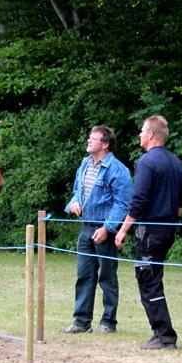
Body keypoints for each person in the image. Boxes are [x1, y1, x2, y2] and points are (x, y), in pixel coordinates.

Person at [115, 115, 182, 350]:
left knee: (148, 280)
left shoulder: (147, 162)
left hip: (150, 231)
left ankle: (164, 335)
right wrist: (168, 212)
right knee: (152, 277)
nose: (139, 135)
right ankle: (162, 333)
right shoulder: (177, 163)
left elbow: (138, 201)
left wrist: (123, 230)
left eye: (142, 131)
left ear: (151, 135)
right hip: (168, 229)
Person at [61, 126, 132, 335]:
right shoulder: (84, 164)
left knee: (107, 277)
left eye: (93, 138)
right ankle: (81, 322)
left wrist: (108, 228)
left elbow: (122, 203)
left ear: (105, 144)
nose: (89, 141)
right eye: (89, 137)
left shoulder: (118, 170)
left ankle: (108, 322)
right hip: (85, 229)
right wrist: (73, 203)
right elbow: (77, 191)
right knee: (84, 276)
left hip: (104, 231)